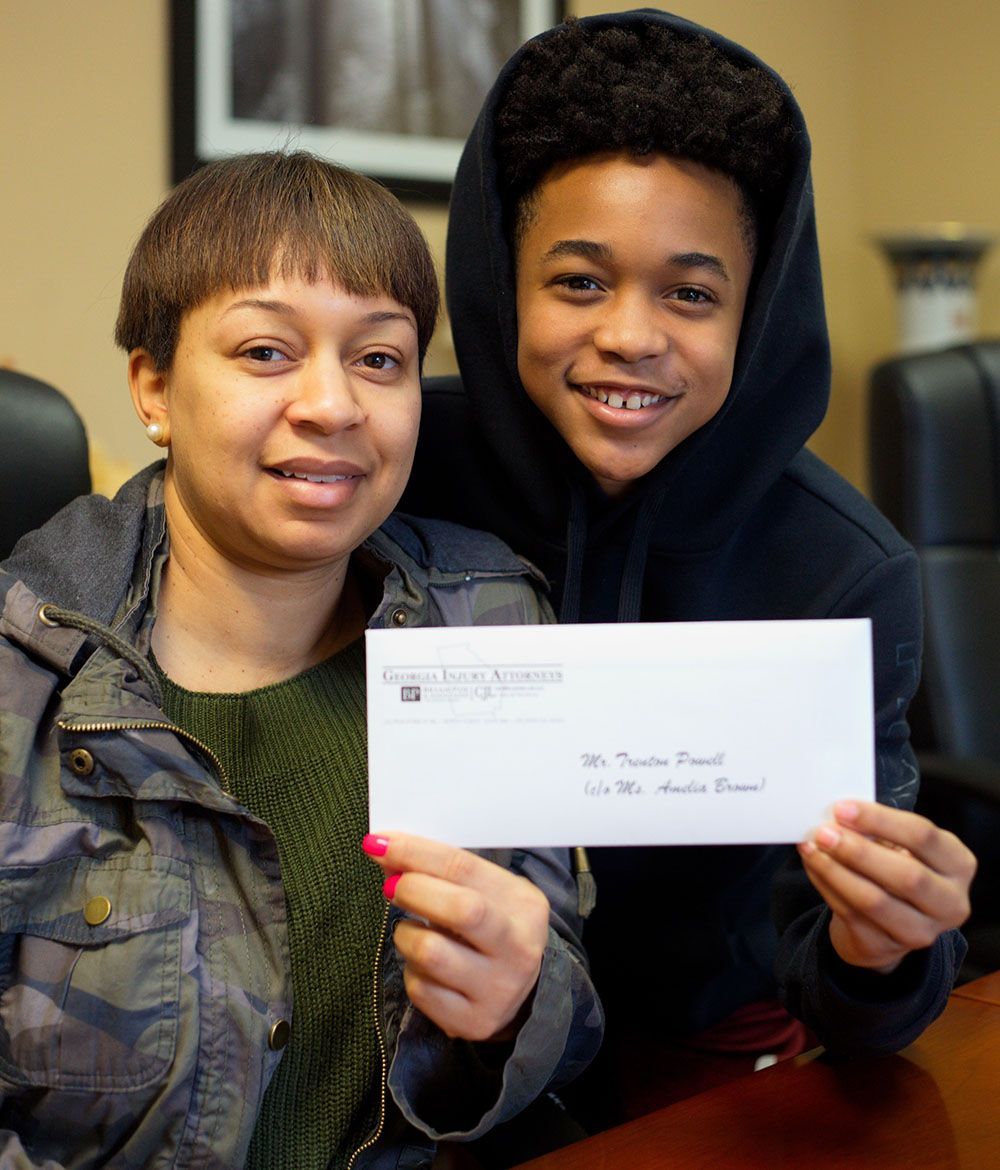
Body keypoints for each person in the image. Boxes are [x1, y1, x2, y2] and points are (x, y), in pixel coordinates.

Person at [401, 8, 976, 1128]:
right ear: (498, 282)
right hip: (408, 1052)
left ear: (752, 314)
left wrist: (881, 951)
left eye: (690, 293)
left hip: (696, 1073)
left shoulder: (840, 568)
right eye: (576, 281)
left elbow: (863, 1011)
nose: (631, 334)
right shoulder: (395, 481)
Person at [0, 151, 601, 1169]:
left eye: (379, 359)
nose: (333, 406)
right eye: (266, 353)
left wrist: (512, 1010)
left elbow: (567, 1006)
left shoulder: (490, 619)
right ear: (153, 385)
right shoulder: (26, 674)